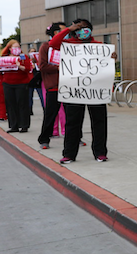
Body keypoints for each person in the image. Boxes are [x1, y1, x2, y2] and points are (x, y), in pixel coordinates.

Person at [49, 19, 114, 163]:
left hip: (95, 90)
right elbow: (53, 44)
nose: (82, 31)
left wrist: (111, 59)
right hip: (74, 90)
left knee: (99, 122)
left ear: (91, 29)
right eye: (79, 28)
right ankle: (69, 154)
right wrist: (68, 29)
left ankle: (100, 152)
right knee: (72, 123)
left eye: (85, 27)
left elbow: (106, 67)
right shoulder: (69, 45)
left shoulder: (100, 46)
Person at [37, 22, 67, 149]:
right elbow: (42, 66)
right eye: (64, 31)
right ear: (56, 33)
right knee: (50, 114)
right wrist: (58, 67)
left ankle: (77, 137)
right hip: (54, 86)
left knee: (72, 114)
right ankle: (44, 139)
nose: (67, 34)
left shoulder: (68, 46)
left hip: (69, 86)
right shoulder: (46, 47)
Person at [1, 39, 34, 133]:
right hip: (8, 83)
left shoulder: (23, 57)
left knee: (22, 104)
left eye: (18, 47)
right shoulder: (5, 57)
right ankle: (13, 125)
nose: (17, 49)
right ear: (10, 48)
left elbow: (28, 68)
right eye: (15, 47)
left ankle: (24, 125)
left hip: (21, 83)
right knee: (11, 104)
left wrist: (20, 66)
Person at [28, 47, 45, 113]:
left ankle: (44, 108)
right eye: (31, 52)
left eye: (34, 51)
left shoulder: (39, 61)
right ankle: (30, 110)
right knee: (29, 96)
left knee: (42, 96)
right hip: (30, 80)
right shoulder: (28, 61)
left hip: (38, 80)